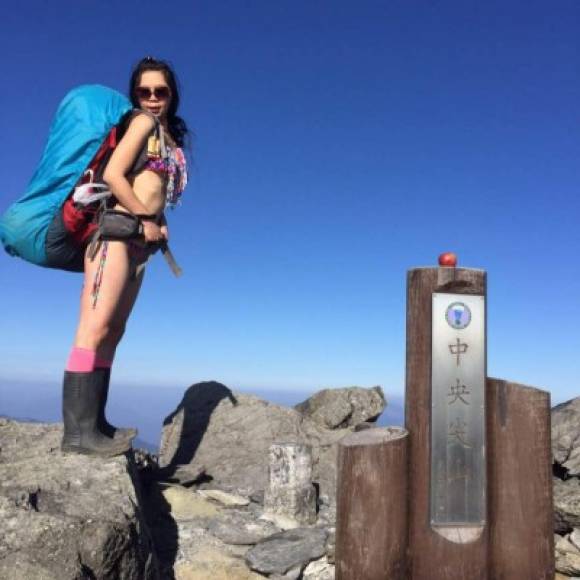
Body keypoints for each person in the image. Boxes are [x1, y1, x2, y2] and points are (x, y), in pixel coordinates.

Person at [61, 57, 189, 457]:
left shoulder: (167, 138)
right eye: (144, 92)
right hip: (114, 233)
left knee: (114, 332)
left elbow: (151, 188)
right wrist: (146, 216)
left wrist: (158, 221)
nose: (152, 99)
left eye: (160, 92)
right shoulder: (142, 124)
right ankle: (77, 434)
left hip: (138, 238)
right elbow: (116, 175)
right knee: (95, 328)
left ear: (172, 95)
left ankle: (96, 423)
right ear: (135, 95)